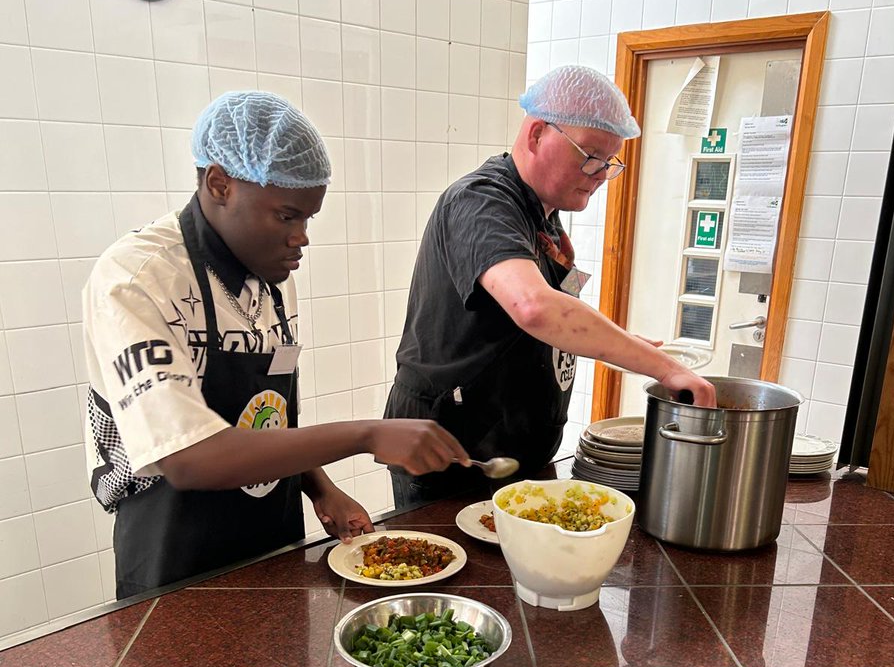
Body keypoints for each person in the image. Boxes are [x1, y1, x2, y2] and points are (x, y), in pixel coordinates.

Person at [84, 91, 468, 598]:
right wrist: (368, 433)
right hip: (174, 552)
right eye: (287, 216)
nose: (301, 237)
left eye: (308, 219)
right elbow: (189, 458)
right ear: (219, 183)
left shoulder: (269, 277)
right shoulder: (137, 280)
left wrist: (321, 487)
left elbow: (268, 415)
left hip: (272, 535)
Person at [383, 64, 717, 508]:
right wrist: (664, 368)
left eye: (610, 162)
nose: (601, 173)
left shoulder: (541, 211)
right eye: (591, 155)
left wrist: (623, 344)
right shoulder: (481, 201)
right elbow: (534, 307)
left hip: (510, 446)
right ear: (538, 135)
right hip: (451, 451)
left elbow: (552, 309)